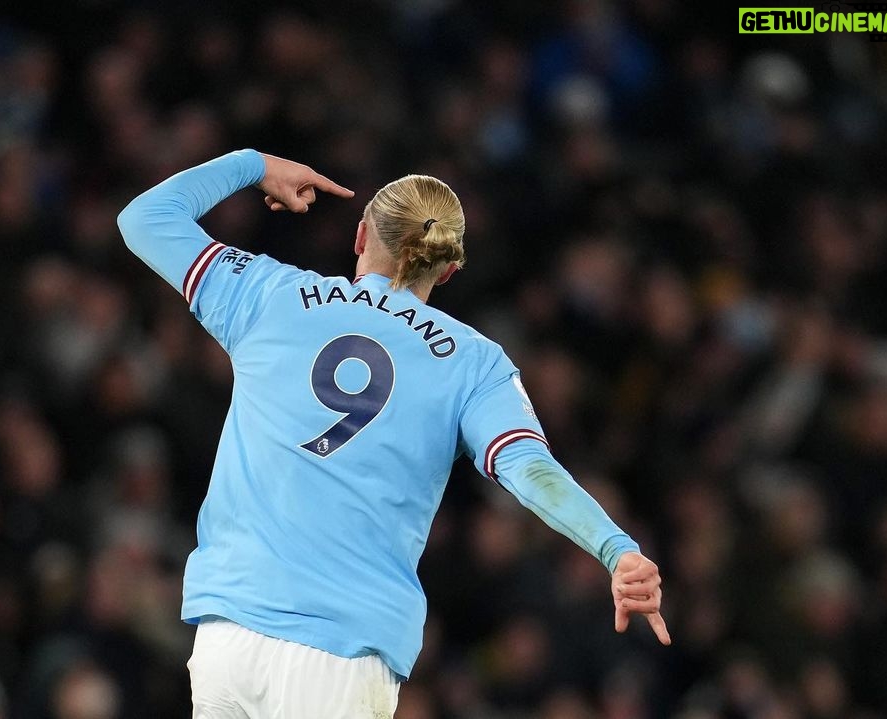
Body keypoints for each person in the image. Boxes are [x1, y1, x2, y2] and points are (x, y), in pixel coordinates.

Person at [117, 150, 670, 718]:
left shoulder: (268, 293)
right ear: (448, 270)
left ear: (360, 236)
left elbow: (144, 219)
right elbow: (528, 468)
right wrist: (616, 550)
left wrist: (253, 165)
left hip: (228, 637)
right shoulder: (473, 363)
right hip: (342, 654)